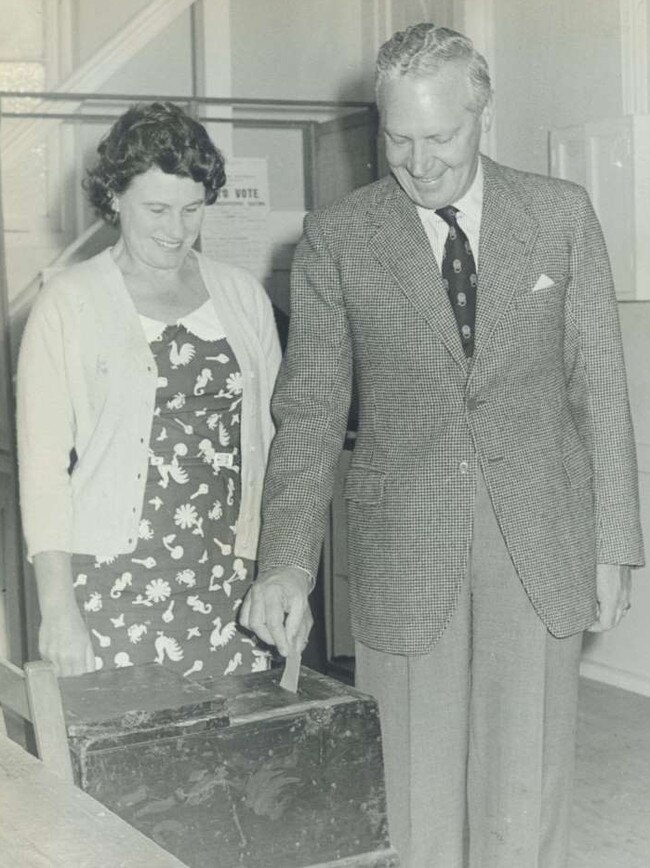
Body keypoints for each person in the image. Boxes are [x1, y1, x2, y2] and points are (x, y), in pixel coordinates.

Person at [240, 23, 645, 868]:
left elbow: (600, 390)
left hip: (536, 535)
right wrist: (283, 561)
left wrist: (615, 548)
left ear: (481, 113)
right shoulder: (337, 237)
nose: (419, 162)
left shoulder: (560, 215)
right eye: (398, 139)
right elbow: (310, 411)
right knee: (414, 794)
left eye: (440, 137)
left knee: (525, 787)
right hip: (403, 546)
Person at [17, 102, 281, 681]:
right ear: (114, 198)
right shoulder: (68, 302)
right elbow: (41, 473)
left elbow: (275, 446)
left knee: (243, 759)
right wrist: (58, 611)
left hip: (232, 577)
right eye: (157, 208)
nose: (176, 230)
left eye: (192, 209)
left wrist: (283, 572)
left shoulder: (242, 297)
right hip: (114, 582)